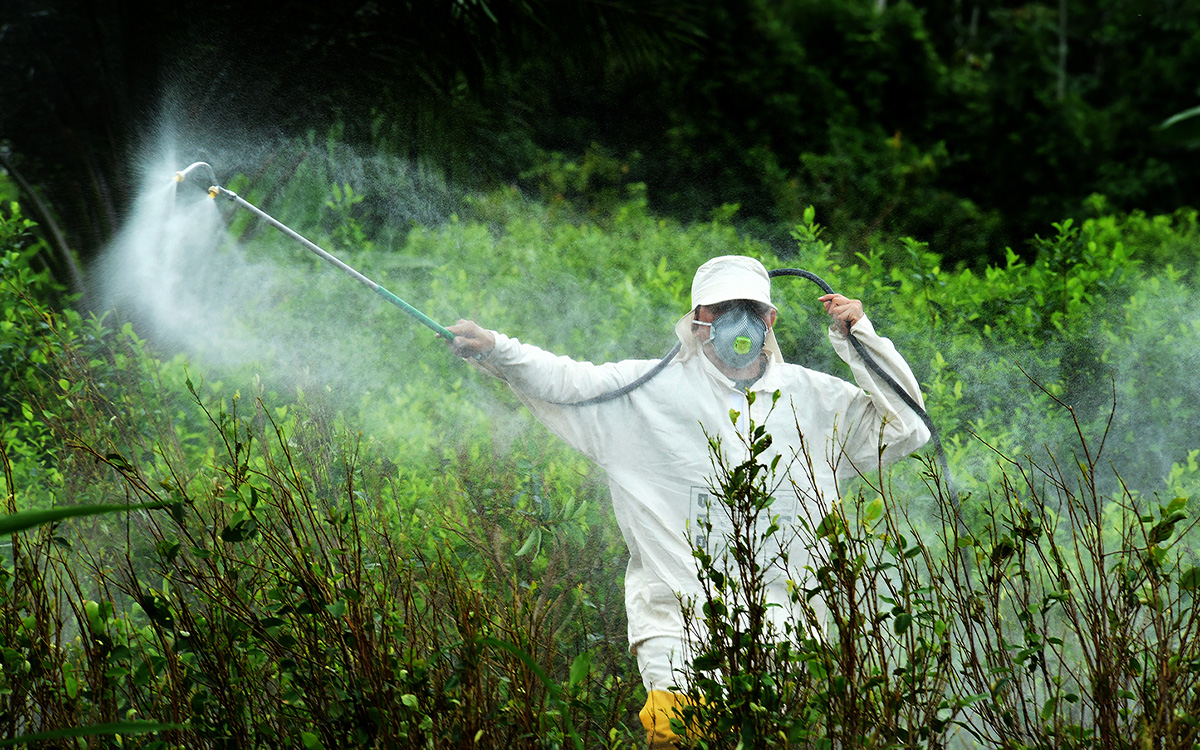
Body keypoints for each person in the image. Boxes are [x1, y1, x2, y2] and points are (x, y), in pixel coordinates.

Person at [445, 255, 930, 748]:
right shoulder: (646, 391)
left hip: (787, 630)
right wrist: (497, 349)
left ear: (770, 319)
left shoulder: (816, 399)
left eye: (750, 308)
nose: (738, 320)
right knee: (677, 735)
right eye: (722, 308)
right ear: (698, 322)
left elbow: (908, 427)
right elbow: (565, 381)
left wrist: (860, 338)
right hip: (675, 623)